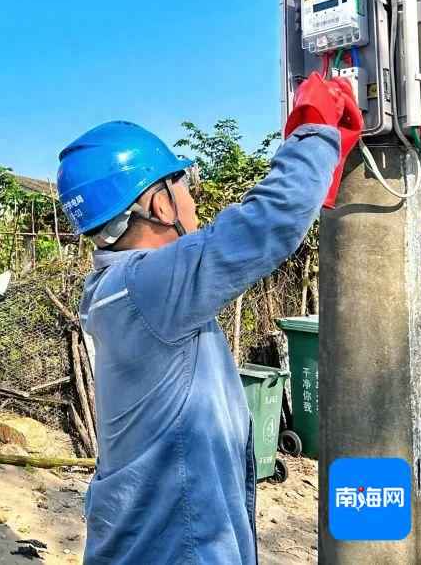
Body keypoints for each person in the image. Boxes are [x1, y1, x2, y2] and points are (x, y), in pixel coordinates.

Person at [55, 73, 362, 564]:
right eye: (184, 185)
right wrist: (313, 129)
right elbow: (268, 221)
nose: (194, 200)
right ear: (158, 204)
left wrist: (318, 178)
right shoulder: (148, 285)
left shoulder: (117, 289)